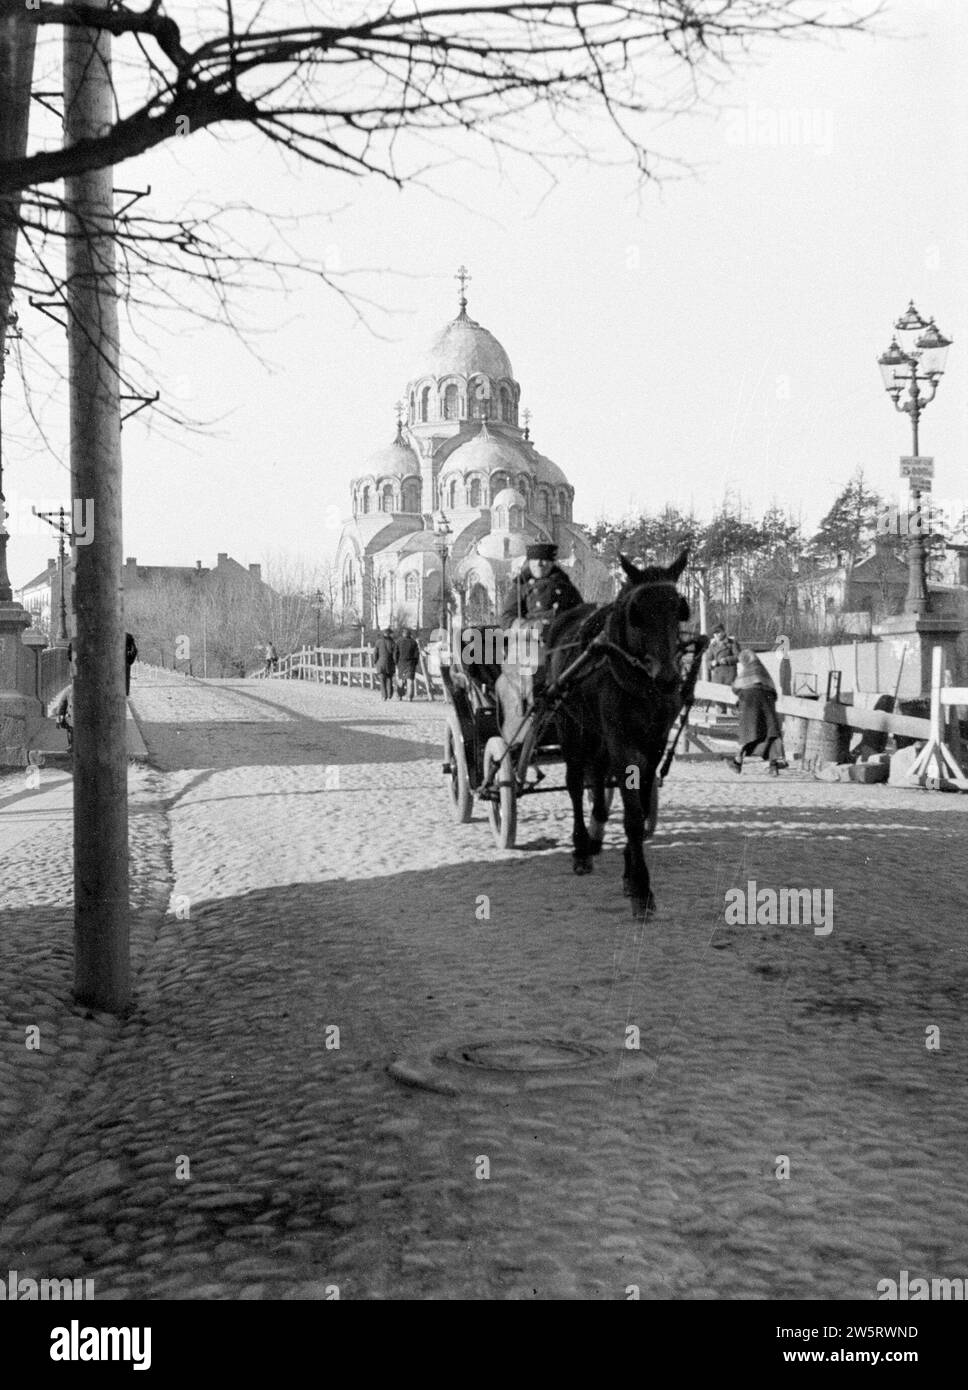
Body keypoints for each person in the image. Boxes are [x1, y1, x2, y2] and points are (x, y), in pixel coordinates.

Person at [725, 650, 788, 776]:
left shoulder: (747, 671)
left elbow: (735, 688)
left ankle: (737, 763)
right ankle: (773, 766)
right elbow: (774, 692)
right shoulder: (763, 671)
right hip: (767, 704)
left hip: (750, 705)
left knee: (749, 734)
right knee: (770, 734)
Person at [500, 542, 584, 629]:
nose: (538, 564)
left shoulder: (564, 584)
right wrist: (526, 625)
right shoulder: (521, 585)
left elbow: (580, 611)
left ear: (551, 563)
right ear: (529, 562)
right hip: (531, 637)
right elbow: (506, 618)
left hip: (561, 635)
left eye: (544, 560)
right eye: (534, 560)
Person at [394, 627, 420, 701]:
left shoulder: (398, 641)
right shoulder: (413, 642)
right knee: (410, 680)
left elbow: (395, 653)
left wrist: (396, 662)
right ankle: (410, 697)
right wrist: (415, 663)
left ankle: (400, 696)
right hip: (410, 664)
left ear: (403, 634)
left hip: (401, 663)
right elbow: (416, 654)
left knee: (401, 680)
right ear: (410, 634)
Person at [372, 628, 397, 700]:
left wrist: (375, 661)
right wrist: (395, 662)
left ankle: (384, 695)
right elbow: (395, 654)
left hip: (380, 663)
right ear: (390, 634)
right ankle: (389, 694)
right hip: (390, 663)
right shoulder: (393, 643)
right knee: (389, 679)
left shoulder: (378, 642)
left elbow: (375, 653)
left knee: (382, 680)